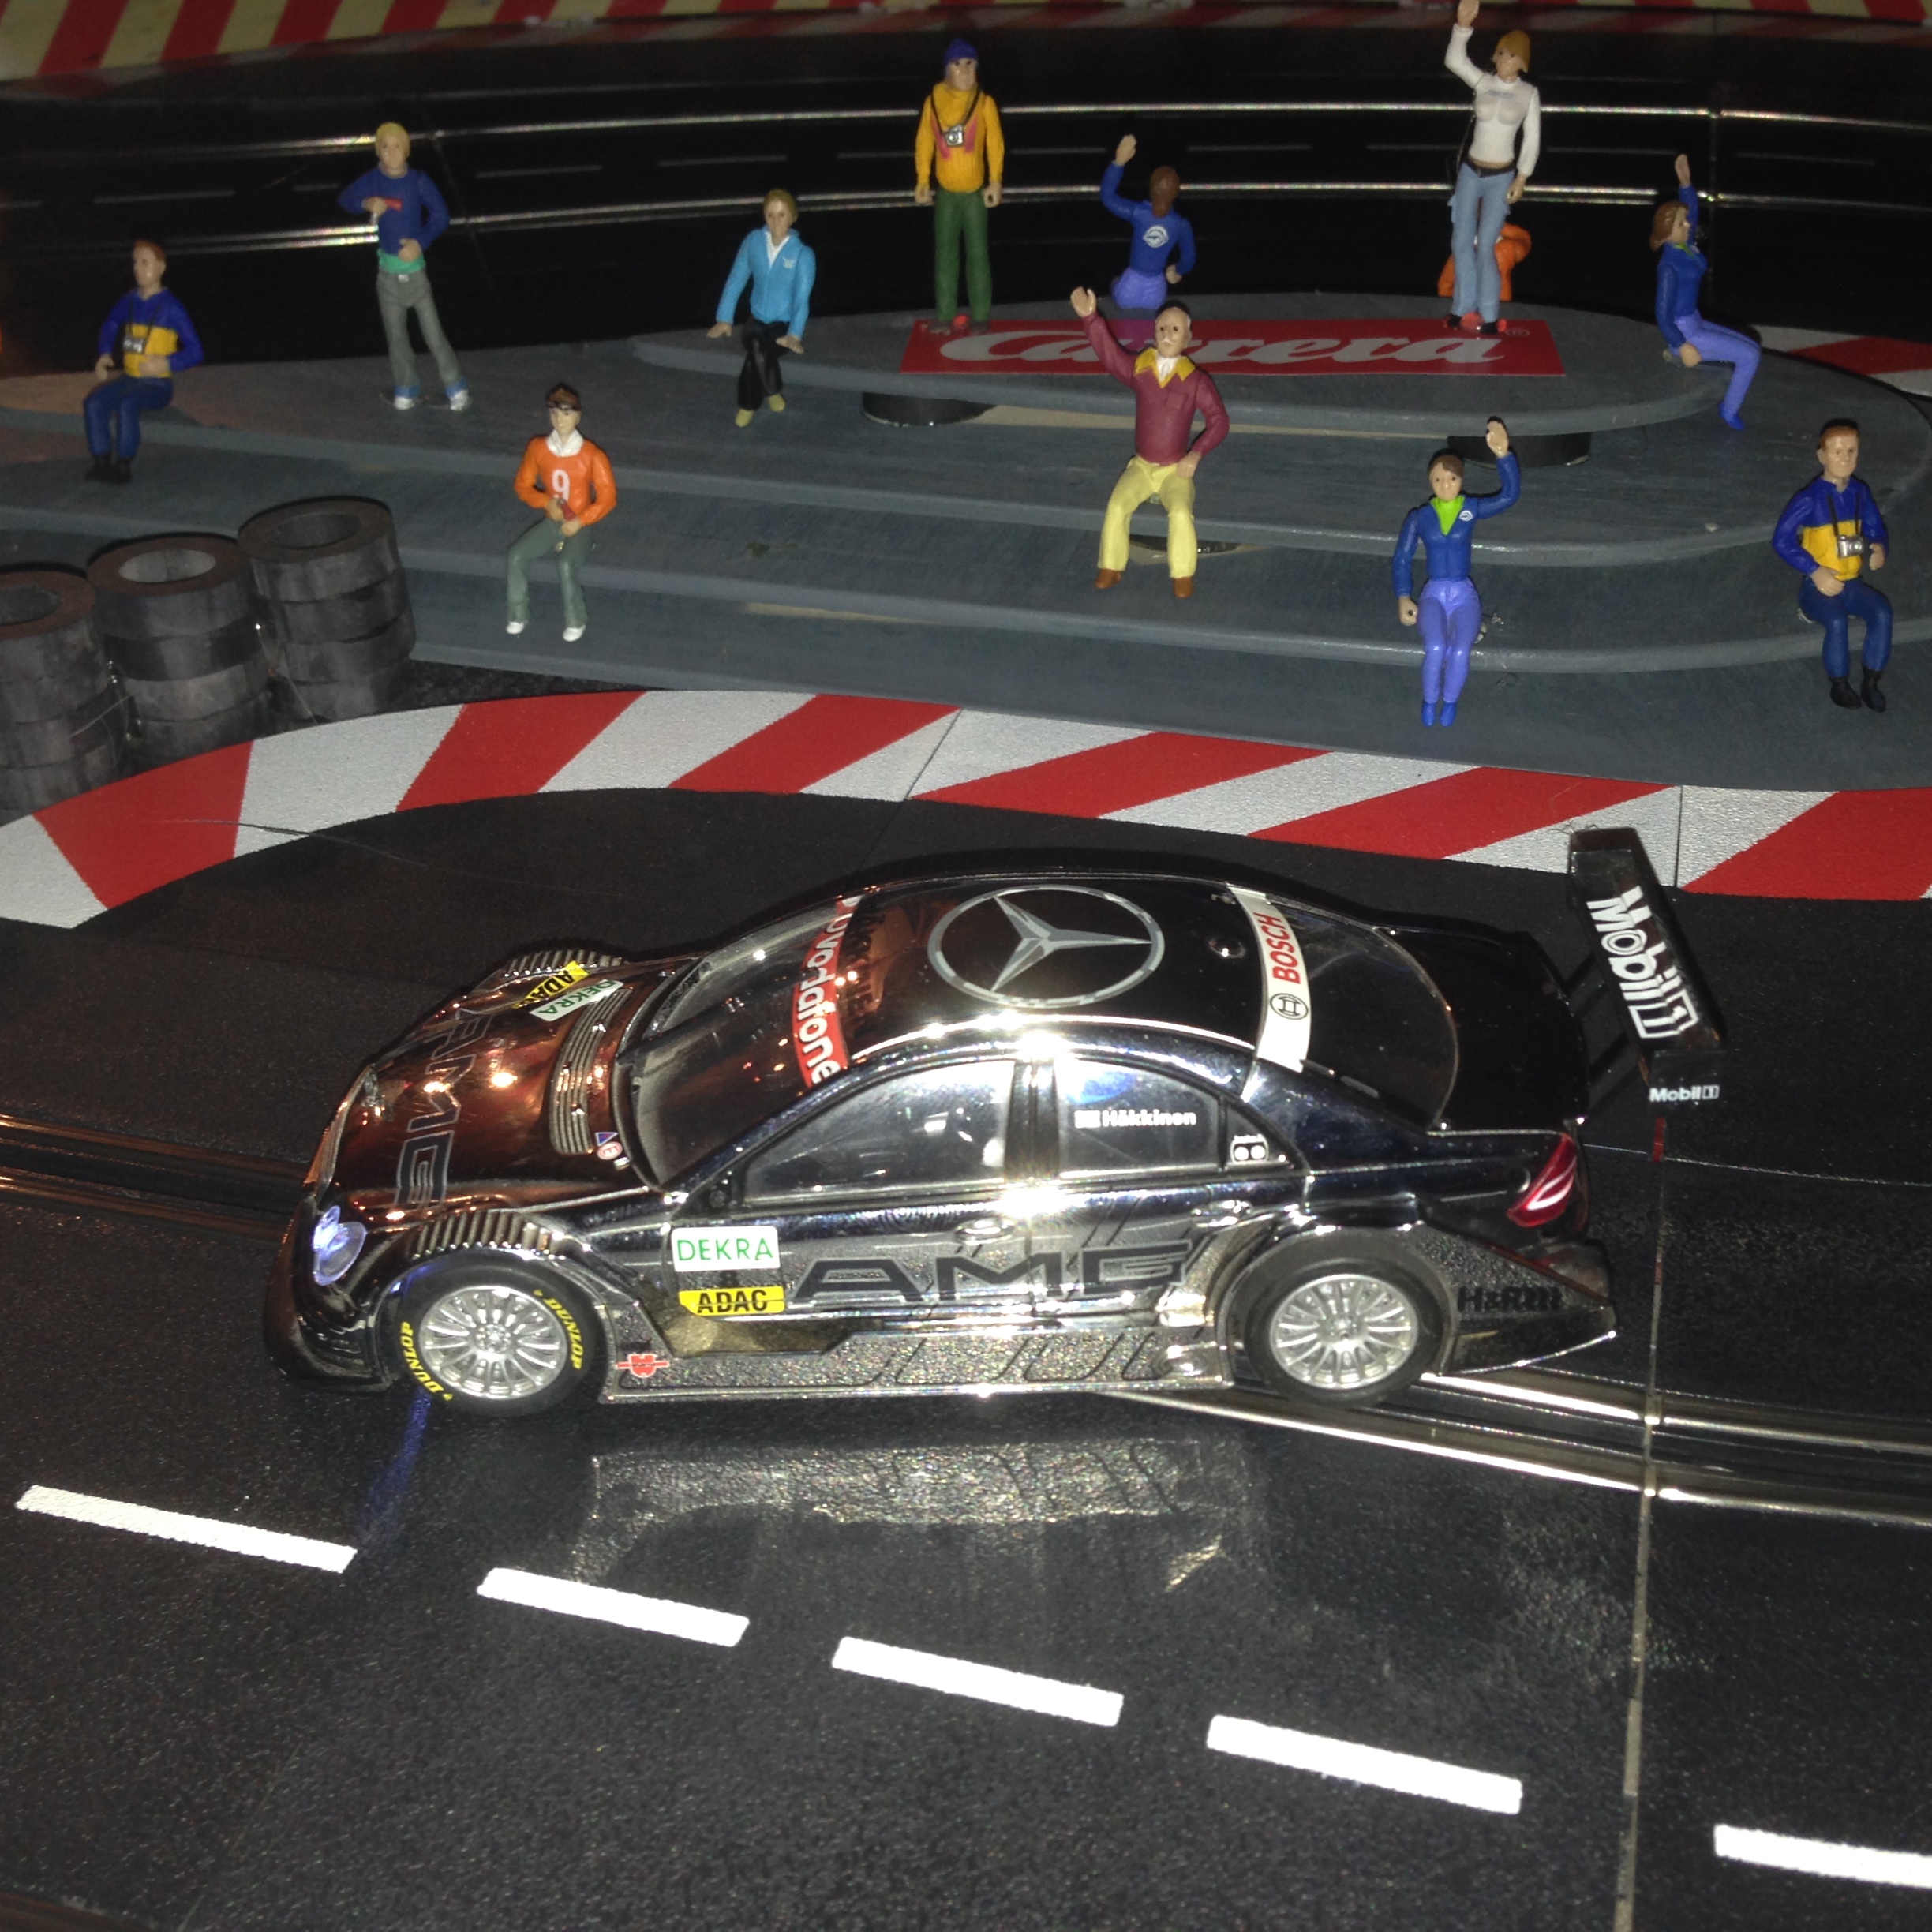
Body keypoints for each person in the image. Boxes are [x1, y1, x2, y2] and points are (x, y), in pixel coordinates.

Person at [1070, 287, 1229, 601]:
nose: (1167, 334)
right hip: (1142, 466)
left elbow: (1219, 420)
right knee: (1117, 505)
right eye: (1162, 328)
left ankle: (1182, 573)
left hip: (1174, 469)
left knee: (1180, 512)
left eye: (1175, 329)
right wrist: (1091, 319)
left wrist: (1196, 454)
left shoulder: (1196, 381)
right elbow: (1111, 355)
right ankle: (1111, 565)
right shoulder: (1141, 368)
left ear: (1188, 338)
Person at [1392, 418, 1518, 727]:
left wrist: (1504, 456)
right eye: (1437, 480)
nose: (1445, 485)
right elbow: (1402, 557)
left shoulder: (1470, 508)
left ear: (1460, 480)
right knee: (1436, 647)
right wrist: (1403, 595)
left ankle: (1450, 702)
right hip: (1434, 593)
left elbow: (1508, 496)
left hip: (1463, 593)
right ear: (1430, 482)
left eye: (1451, 479)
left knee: (1460, 650)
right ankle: (1429, 700)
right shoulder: (1421, 517)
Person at [338, 122, 470, 413]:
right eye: (385, 146)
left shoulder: (418, 181)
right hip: (387, 275)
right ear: (378, 151)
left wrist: (420, 242)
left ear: (407, 149)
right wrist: (366, 202)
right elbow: (345, 198)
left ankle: (456, 386)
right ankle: (406, 387)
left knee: (434, 335)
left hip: (416, 276)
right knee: (396, 338)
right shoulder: (374, 179)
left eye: (397, 146)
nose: (391, 152)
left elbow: (441, 216)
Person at [1773, 419, 1890, 713]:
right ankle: (1839, 683)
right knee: (1837, 622)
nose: (1845, 458)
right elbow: (1782, 539)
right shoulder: (1810, 498)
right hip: (1818, 587)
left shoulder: (1860, 493)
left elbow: (1875, 526)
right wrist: (1814, 570)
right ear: (1822, 456)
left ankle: (1871, 681)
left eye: (1852, 451)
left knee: (1882, 612)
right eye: (1837, 452)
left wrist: (1879, 546)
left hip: (1852, 582)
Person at [1444, 0, 1540, 338]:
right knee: (1461, 240)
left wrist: (1523, 176)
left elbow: (1532, 138)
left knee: (1487, 245)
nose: (1502, 60)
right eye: (1500, 53)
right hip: (1472, 172)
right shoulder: (1483, 82)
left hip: (1501, 176)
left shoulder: (1528, 93)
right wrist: (1462, 28)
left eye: (1510, 55)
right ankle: (1460, 306)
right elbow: (1455, 61)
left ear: (1522, 61)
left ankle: (1488, 313)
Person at [1652, 154, 1758, 431]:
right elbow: (1662, 315)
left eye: (1685, 222)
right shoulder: (1668, 267)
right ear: (1666, 233)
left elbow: (1693, 214)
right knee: (1749, 356)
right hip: (1684, 330)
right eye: (1681, 224)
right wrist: (1682, 345)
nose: (1688, 225)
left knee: (1752, 347)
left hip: (1694, 319)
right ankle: (1729, 409)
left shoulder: (1685, 246)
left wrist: (1686, 185)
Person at [84, 240, 201, 485]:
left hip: (157, 384)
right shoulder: (129, 301)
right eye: (135, 262)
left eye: (145, 262)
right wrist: (105, 353)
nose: (137, 268)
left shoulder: (172, 308)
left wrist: (167, 364)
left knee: (128, 405)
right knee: (94, 403)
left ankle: (123, 464)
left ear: (161, 267)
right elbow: (111, 325)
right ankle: (101, 460)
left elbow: (196, 351)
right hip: (129, 377)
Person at [507, 384, 616, 644]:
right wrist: (546, 502)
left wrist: (581, 521)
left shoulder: (592, 455)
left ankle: (576, 619)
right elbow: (522, 485)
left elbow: (608, 498)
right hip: (553, 521)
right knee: (516, 556)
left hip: (579, 523)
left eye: (567, 413)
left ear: (578, 417)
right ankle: (518, 613)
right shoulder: (538, 448)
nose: (560, 419)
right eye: (555, 413)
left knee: (566, 565)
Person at [914, 39, 1004, 334]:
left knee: (978, 255)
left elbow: (995, 143)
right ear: (946, 70)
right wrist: (923, 179)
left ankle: (981, 315)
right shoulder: (933, 103)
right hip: (946, 195)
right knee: (945, 255)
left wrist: (995, 181)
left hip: (975, 194)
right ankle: (944, 314)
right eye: (957, 64)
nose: (965, 71)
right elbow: (925, 142)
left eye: (970, 64)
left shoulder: (984, 103)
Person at [706, 189, 816, 429]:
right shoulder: (753, 242)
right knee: (756, 341)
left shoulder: (802, 254)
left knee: (755, 353)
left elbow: (802, 299)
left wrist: (794, 333)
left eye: (782, 215)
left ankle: (748, 405)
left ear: (793, 217)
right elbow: (736, 279)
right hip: (756, 318)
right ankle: (772, 390)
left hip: (782, 323)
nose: (776, 221)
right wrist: (724, 318)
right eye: (770, 215)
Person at [1100, 134, 1195, 315]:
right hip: (1157, 290)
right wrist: (1177, 271)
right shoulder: (1180, 224)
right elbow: (1189, 258)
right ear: (1176, 192)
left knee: (1118, 290)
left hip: (1131, 283)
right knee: (1149, 310)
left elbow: (1108, 197)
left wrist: (1118, 163)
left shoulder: (1138, 213)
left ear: (1151, 188)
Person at [1437, 220, 1530, 315]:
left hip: (1496, 306)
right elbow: (1446, 285)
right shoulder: (1464, 253)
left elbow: (1523, 241)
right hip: (1472, 307)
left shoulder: (1504, 249)